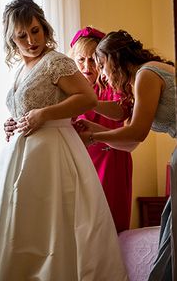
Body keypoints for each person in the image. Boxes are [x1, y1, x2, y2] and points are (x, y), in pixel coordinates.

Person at [0, 0, 128, 281]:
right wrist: (13, 123)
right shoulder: (21, 70)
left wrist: (44, 114)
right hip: (23, 155)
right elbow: (27, 109)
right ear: (11, 39)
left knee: (55, 226)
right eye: (22, 35)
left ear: (44, 28)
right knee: (22, 227)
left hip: (53, 151)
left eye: (35, 31)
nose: (31, 40)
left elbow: (87, 98)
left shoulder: (55, 62)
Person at [76, 30, 177, 281]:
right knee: (172, 226)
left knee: (176, 232)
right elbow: (128, 139)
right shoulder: (140, 80)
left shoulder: (146, 75)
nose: (100, 73)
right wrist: (92, 125)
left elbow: (137, 133)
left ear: (114, 60)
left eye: (100, 64)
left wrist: (93, 137)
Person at [69, 26, 134, 233]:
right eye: (81, 60)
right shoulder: (68, 86)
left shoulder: (113, 83)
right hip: (78, 159)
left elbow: (121, 112)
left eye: (92, 60)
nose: (87, 66)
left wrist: (89, 101)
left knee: (108, 225)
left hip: (110, 158)